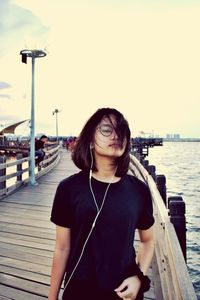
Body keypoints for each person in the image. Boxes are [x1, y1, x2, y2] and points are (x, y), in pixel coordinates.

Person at [49, 108, 155, 300]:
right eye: (107, 129)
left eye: (122, 131)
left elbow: (148, 240)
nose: (116, 135)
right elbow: (62, 247)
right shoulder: (68, 188)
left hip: (124, 293)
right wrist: (52, 297)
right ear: (90, 139)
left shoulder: (139, 190)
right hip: (79, 291)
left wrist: (139, 277)